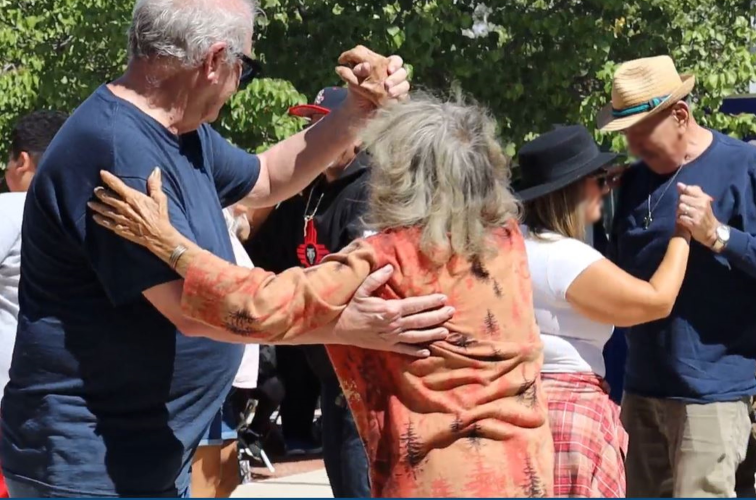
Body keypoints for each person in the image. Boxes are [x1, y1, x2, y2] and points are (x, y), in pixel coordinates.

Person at [0, 0, 452, 499]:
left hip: (139, 455)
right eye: (246, 66)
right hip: (90, 466)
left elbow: (266, 178)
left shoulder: (181, 131)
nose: (240, 83)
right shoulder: (118, 153)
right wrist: (345, 323)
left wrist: (357, 112)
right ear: (216, 61)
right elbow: (197, 310)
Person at [87, 93, 555, 498]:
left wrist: (169, 243)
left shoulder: (391, 255)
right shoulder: (506, 243)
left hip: (441, 476)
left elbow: (259, 305)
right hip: (525, 468)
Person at [599, 55, 756, 497]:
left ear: (681, 115)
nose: (633, 145)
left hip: (711, 396)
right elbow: (616, 276)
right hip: (640, 391)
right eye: (626, 134)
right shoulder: (632, 183)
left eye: (641, 132)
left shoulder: (744, 166)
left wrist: (719, 235)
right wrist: (590, 205)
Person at [515, 124, 692, 497]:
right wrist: (683, 233)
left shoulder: (512, 245)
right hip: (568, 417)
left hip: (525, 404)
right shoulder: (564, 256)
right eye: (599, 180)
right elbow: (656, 300)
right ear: (573, 191)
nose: (607, 188)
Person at [246, 87, 371, 496]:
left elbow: (357, 281)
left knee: (359, 484)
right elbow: (262, 255)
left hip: (363, 373)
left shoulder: (372, 187)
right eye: (311, 126)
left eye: (327, 125)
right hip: (327, 370)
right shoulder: (309, 192)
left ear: (358, 132)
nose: (316, 136)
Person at [0, 111, 68, 500]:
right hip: (61, 397)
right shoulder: (80, 214)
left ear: (22, 160)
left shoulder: (12, 207)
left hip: (7, 390)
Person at [190, 208, 260, 498]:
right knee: (204, 482)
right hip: (205, 371)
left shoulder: (226, 231)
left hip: (229, 376)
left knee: (227, 476)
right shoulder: (202, 223)